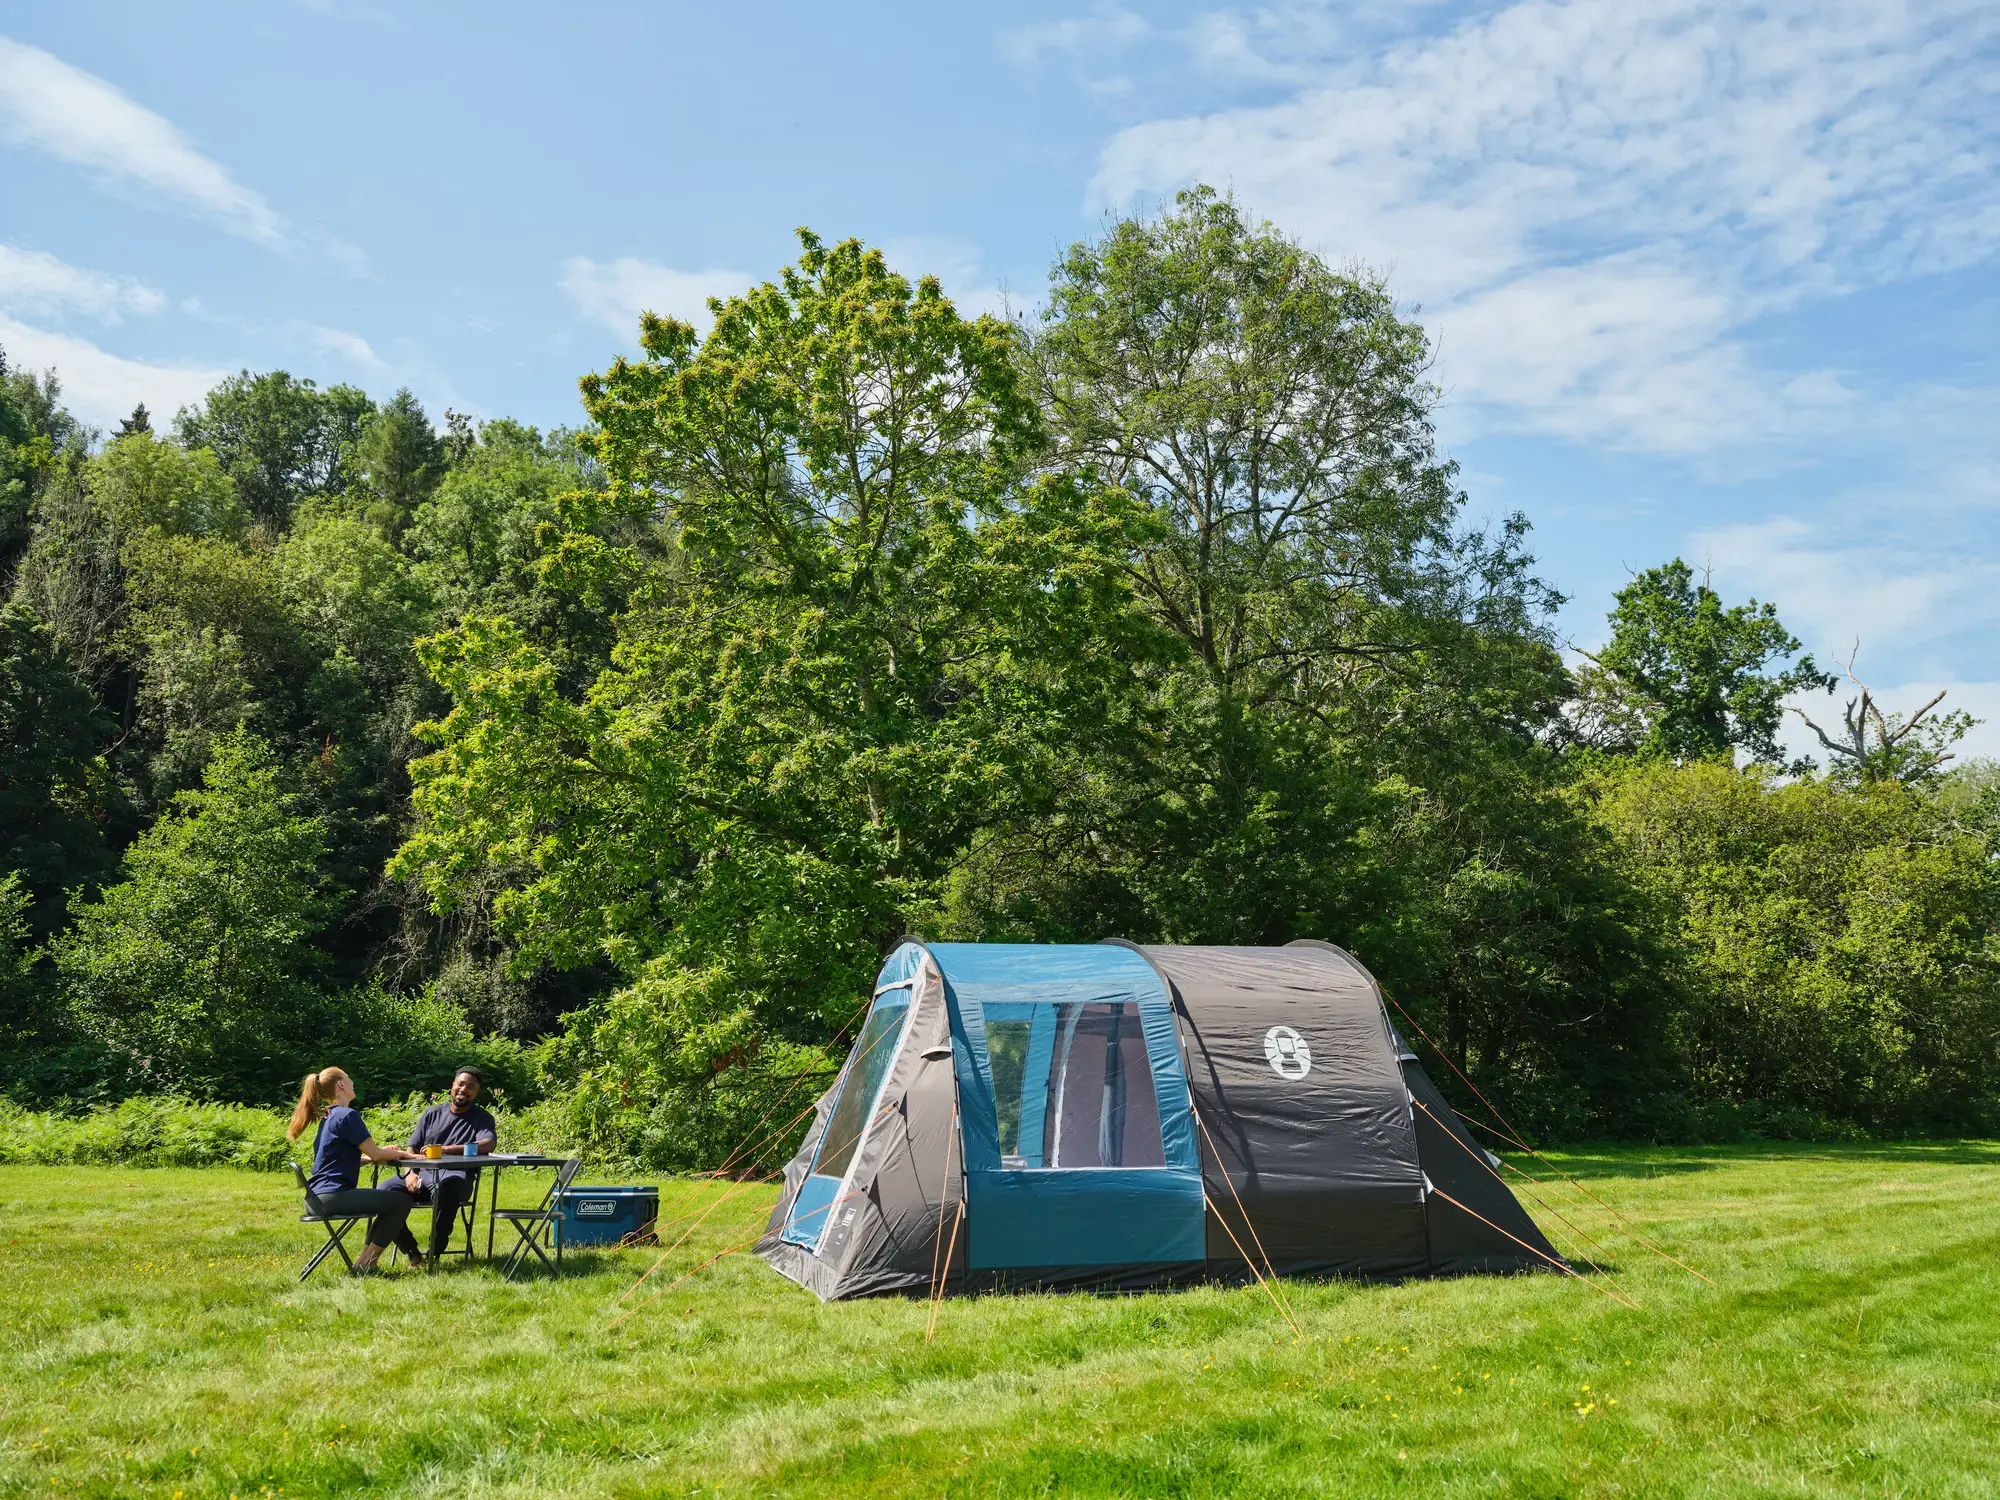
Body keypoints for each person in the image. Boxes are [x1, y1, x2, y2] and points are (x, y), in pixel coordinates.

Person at [287, 1066, 426, 1274]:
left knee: (388, 1200)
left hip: (316, 1198)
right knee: (401, 1200)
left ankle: (364, 1261)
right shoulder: (347, 1115)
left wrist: (373, 1157)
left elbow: (341, 1159)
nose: (353, 1082)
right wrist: (405, 1155)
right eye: (349, 1078)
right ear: (341, 1085)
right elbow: (377, 1154)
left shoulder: (329, 1117)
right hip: (332, 1196)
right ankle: (367, 1262)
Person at [396, 1066, 499, 1266]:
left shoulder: (482, 1118)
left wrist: (447, 1149)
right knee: (385, 1192)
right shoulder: (432, 1114)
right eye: (460, 1084)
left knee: (447, 1188)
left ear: (477, 1092)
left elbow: (488, 1144)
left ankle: (434, 1252)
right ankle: (412, 1253)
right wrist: (409, 1173)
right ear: (453, 1086)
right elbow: (412, 1148)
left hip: (457, 1178)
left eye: (471, 1087)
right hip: (421, 1177)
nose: (463, 1090)